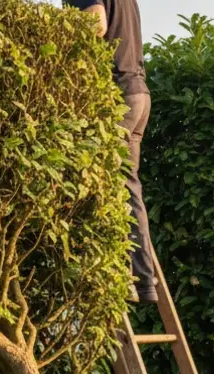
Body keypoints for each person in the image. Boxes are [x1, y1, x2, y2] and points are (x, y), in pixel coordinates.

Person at [66, 0, 158, 303]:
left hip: (116, 95)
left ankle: (118, 277)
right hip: (138, 93)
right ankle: (144, 282)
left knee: (100, 185)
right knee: (128, 187)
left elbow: (96, 24)